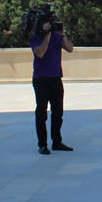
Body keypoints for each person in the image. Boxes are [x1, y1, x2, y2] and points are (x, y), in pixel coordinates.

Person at [30, 13, 74, 155]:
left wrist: (62, 35)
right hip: (41, 79)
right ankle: (42, 144)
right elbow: (40, 53)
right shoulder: (35, 37)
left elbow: (70, 48)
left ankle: (57, 141)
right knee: (42, 113)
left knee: (58, 112)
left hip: (56, 78)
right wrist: (47, 35)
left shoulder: (57, 36)